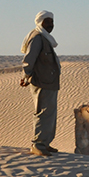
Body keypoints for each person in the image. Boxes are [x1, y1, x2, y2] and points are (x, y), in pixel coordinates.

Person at [20, 10, 61, 156]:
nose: (50, 25)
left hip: (49, 82)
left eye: (52, 22)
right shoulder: (37, 37)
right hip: (41, 82)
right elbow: (28, 59)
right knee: (42, 113)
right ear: (40, 22)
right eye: (47, 22)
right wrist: (26, 76)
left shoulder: (45, 37)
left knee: (50, 113)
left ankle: (45, 143)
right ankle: (38, 144)